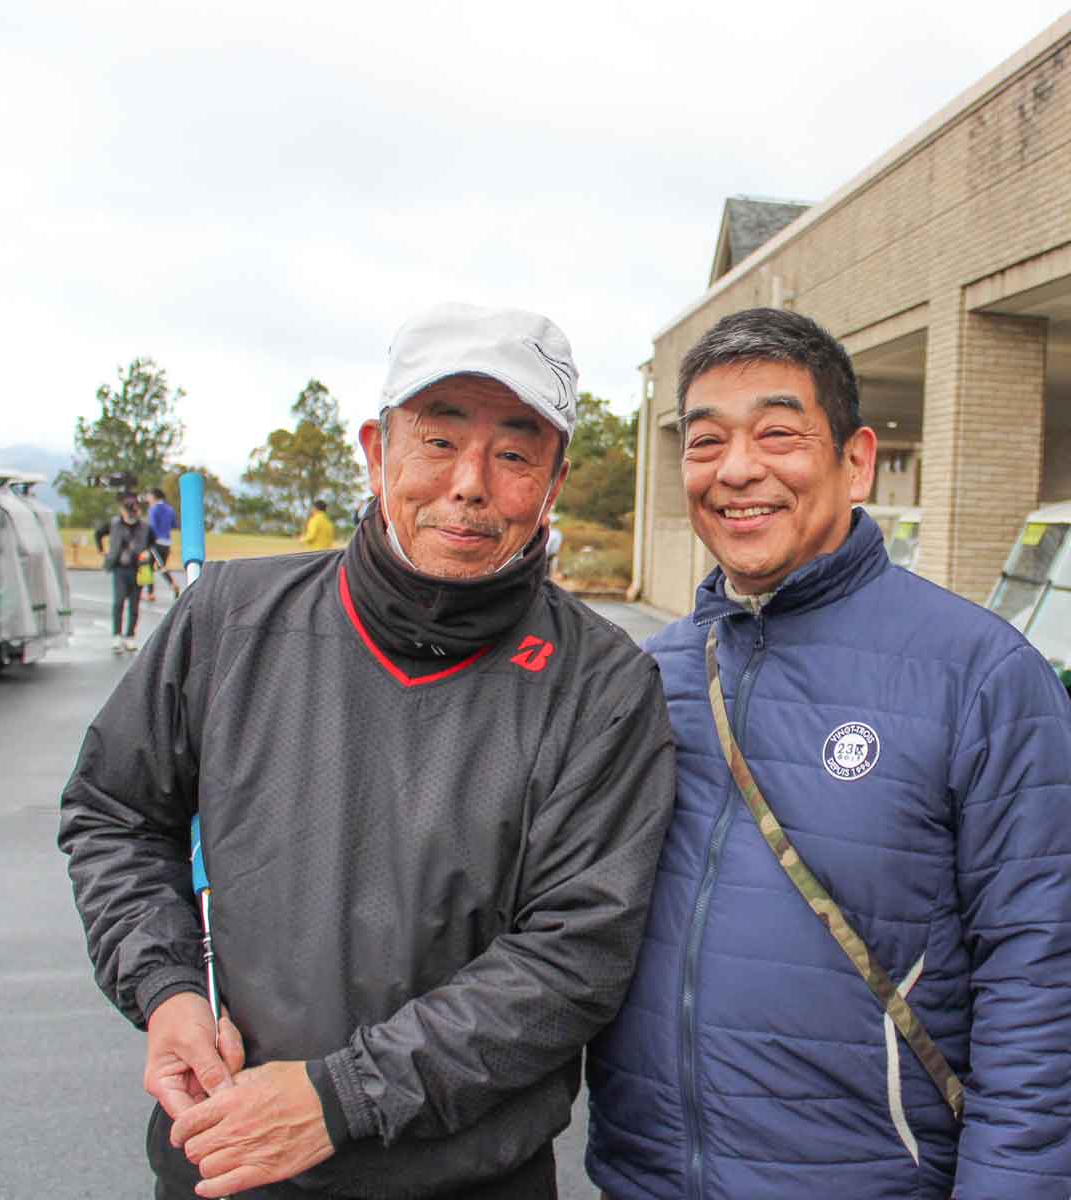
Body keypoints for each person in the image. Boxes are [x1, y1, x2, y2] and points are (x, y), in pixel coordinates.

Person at [59, 301, 675, 1200]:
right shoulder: (231, 619)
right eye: (438, 439)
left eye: (513, 453)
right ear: (376, 450)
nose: (470, 483)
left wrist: (337, 1099)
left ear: (553, 481)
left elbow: (574, 955)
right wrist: (167, 989)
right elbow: (117, 813)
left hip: (469, 1178)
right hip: (225, 1160)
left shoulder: (602, 684)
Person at [586, 307, 1071, 1200]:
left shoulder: (981, 677)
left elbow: (1042, 980)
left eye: (777, 434)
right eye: (706, 442)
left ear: (856, 460)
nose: (737, 470)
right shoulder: (649, 677)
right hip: (646, 1178)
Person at [95, 491, 155, 653]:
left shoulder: (144, 528)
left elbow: (152, 545)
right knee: (118, 602)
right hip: (120, 568)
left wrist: (148, 555)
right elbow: (98, 533)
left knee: (134, 605)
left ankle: (130, 636)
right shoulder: (114, 524)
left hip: (138, 569)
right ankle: (117, 635)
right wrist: (103, 551)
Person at [146, 487, 182, 601]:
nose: (148, 498)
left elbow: (152, 527)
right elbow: (174, 525)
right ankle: (151, 592)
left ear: (154, 496)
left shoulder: (153, 509)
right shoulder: (170, 509)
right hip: (166, 542)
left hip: (155, 542)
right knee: (159, 566)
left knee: (150, 567)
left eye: (149, 495)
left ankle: (169, 585)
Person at [544, 511, 563, 577]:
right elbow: (555, 549)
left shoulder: (555, 533)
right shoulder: (557, 534)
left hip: (545, 558)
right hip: (549, 558)